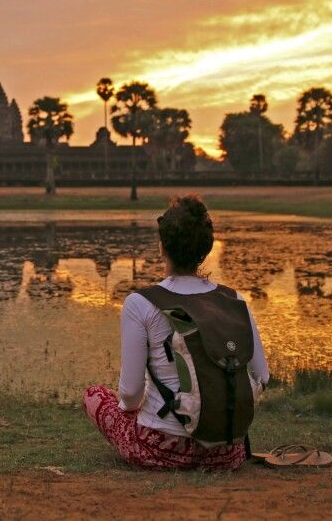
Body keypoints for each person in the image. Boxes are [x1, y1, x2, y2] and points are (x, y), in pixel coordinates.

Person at [83, 194, 270, 469]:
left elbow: (131, 393)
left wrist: (137, 413)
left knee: (95, 395)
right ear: (205, 249)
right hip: (228, 453)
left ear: (162, 247)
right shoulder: (235, 300)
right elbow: (262, 375)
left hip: (160, 449)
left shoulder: (141, 303)